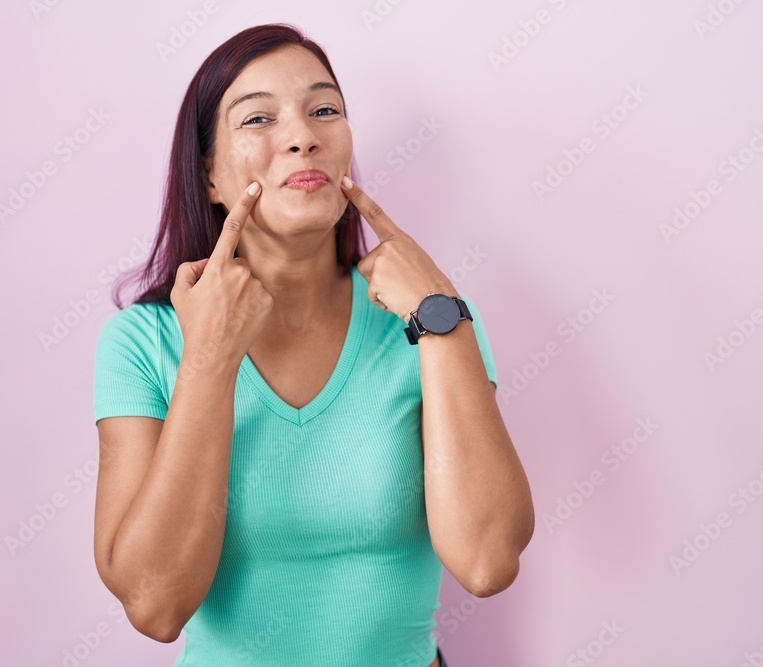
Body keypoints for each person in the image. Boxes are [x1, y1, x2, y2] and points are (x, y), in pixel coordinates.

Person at [91, 23, 534, 667]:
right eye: (258, 119)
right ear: (209, 175)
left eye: (324, 110)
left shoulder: (432, 319)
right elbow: (156, 607)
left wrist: (444, 319)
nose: (303, 136)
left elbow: (488, 562)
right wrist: (210, 358)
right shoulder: (142, 343)